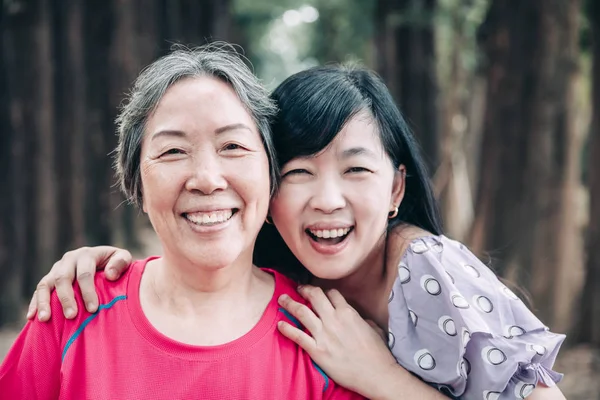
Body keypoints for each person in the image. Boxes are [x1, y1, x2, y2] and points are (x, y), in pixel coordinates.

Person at [27, 61, 566, 400]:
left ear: (397, 189)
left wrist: (385, 381)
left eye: (356, 170)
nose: (327, 200)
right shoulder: (300, 290)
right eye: (299, 173)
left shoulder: (427, 271)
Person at [0, 44, 370, 400]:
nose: (207, 179)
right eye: (173, 151)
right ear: (136, 184)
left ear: (270, 175)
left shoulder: (323, 337)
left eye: (232, 146)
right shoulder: (72, 308)